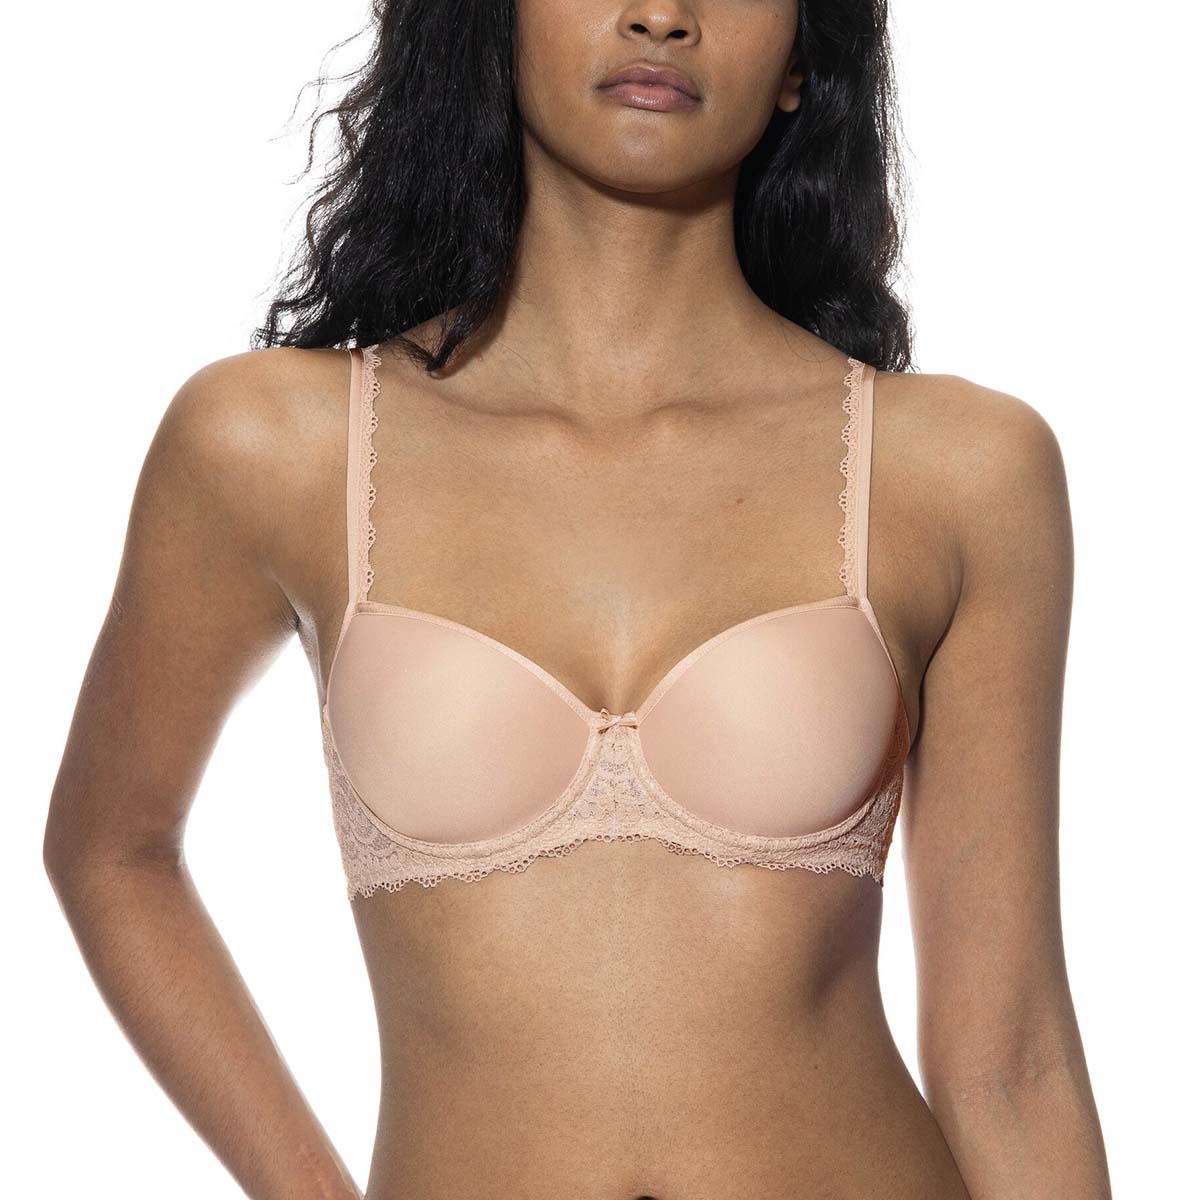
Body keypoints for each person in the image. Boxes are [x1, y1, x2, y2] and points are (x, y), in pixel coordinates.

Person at [43, 0, 1111, 1196]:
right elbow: (111, 851)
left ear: (803, 60)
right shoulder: (276, 446)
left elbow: (1011, 1059)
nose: (661, 14)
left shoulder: (958, 471)